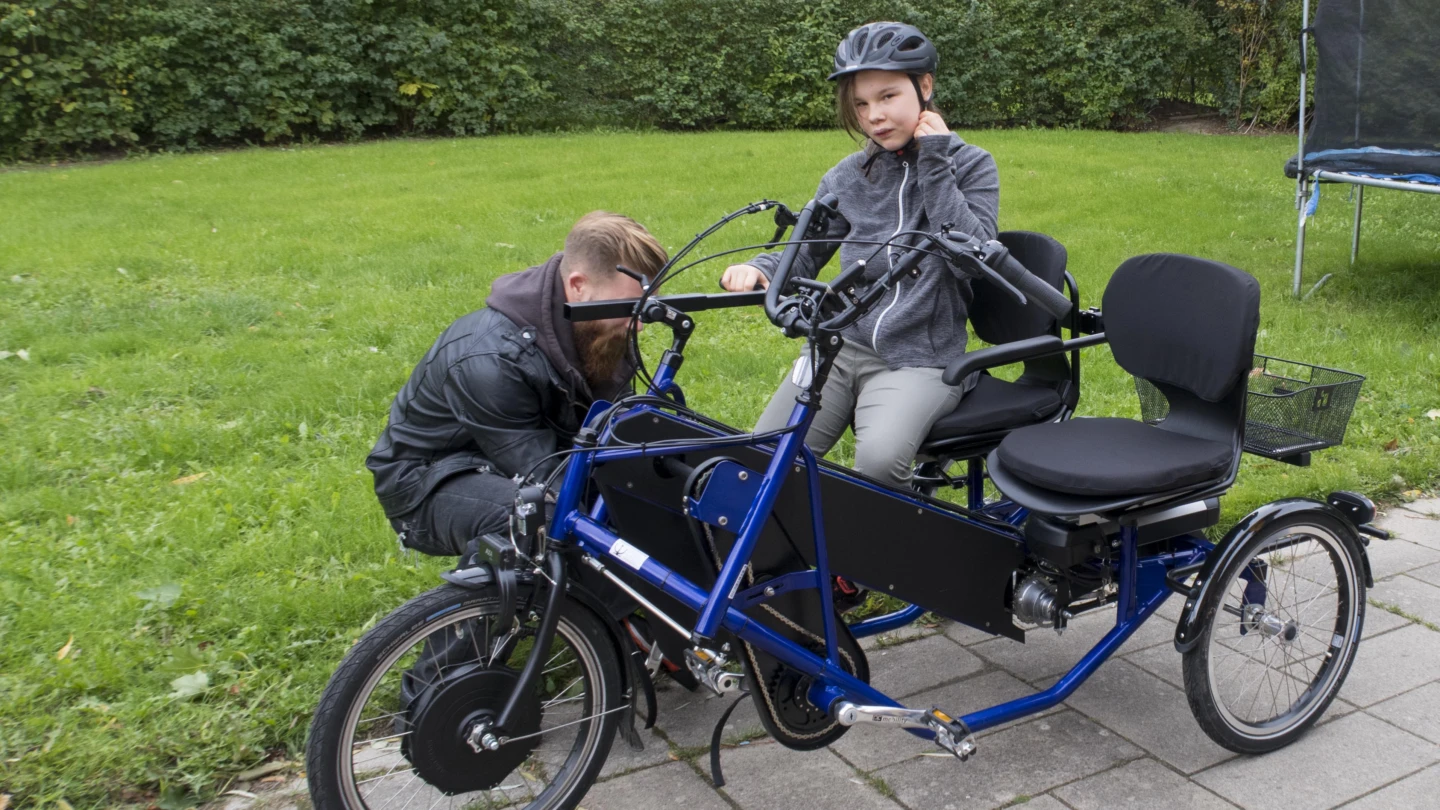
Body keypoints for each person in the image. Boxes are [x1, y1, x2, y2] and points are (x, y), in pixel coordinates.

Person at [721, 21, 1000, 490]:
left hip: (922, 360)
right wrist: (762, 268)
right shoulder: (846, 176)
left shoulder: (972, 165)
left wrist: (935, 162)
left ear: (924, 87)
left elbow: (972, 259)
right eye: (861, 104)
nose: (874, 116)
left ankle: (888, 556)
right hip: (840, 344)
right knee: (763, 456)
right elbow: (805, 252)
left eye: (888, 97)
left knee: (877, 464)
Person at [367, 211, 667, 558]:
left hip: (521, 453)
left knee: (646, 498)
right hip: (427, 481)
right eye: (631, 307)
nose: (640, 325)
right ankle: (487, 608)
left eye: (645, 309)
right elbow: (545, 475)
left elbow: (611, 435)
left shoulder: (602, 326)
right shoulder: (491, 358)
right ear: (578, 286)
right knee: (548, 519)